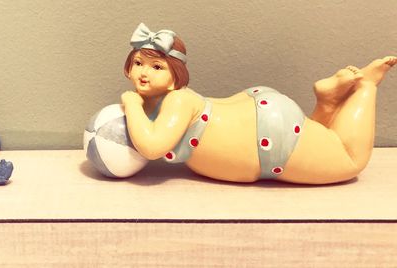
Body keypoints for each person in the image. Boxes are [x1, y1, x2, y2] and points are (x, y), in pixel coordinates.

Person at [121, 23, 396, 184]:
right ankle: (327, 101)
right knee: (319, 138)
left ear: (174, 79)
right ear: (128, 68)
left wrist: (129, 102)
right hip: (260, 122)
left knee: (350, 159)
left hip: (267, 138)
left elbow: (152, 147)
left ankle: (365, 86)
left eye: (157, 67)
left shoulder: (177, 100)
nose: (144, 72)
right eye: (138, 63)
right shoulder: (160, 103)